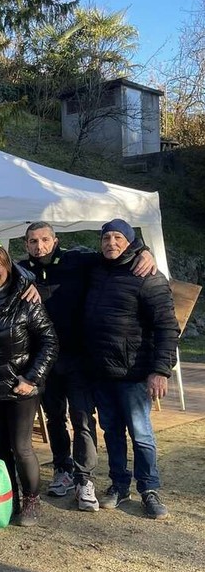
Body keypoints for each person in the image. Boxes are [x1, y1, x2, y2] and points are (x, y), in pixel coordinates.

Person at [20, 221, 156, 511]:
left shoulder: (78, 260)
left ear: (55, 241)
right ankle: (62, 470)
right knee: (55, 418)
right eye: (33, 241)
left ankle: (85, 479)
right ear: (26, 245)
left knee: (82, 419)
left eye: (44, 240)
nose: (39, 246)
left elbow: (117, 253)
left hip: (79, 359)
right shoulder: (21, 270)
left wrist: (144, 251)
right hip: (45, 361)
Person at [83, 219, 179, 519]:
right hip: (102, 371)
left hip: (135, 373)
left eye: (117, 238)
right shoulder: (96, 268)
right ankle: (119, 484)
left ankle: (149, 488)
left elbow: (167, 326)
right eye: (106, 238)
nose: (111, 243)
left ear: (129, 241)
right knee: (111, 431)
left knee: (141, 435)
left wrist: (160, 370)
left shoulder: (148, 274)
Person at [0, 246, 58, 526]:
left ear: (7, 267)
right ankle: (10, 497)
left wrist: (32, 378)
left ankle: (32, 500)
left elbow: (49, 341)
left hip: (20, 387)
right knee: (1, 448)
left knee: (22, 447)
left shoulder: (26, 300)